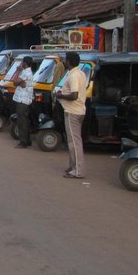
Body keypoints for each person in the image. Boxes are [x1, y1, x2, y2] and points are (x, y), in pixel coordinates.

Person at [56, 51, 88, 179]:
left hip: (73, 111)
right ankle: (73, 166)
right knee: (73, 141)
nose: (64, 62)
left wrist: (61, 95)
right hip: (77, 110)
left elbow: (74, 95)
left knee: (74, 142)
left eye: (65, 60)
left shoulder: (74, 75)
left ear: (69, 61)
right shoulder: (79, 73)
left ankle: (78, 170)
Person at [12, 56, 35, 149]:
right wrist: (19, 83)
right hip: (23, 99)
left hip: (23, 100)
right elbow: (18, 83)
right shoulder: (26, 72)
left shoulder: (26, 72)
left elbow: (14, 81)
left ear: (25, 63)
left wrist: (17, 71)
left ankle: (23, 142)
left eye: (22, 62)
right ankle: (27, 140)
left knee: (22, 122)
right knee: (24, 121)